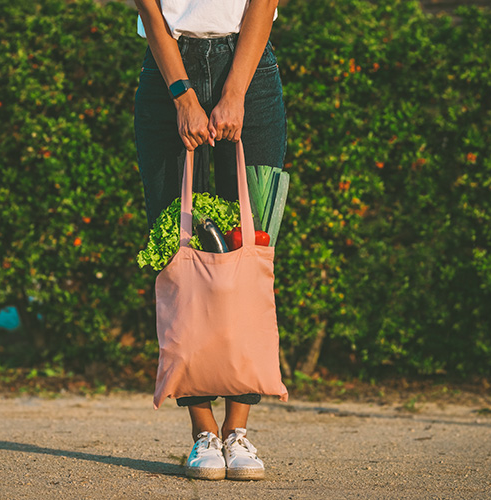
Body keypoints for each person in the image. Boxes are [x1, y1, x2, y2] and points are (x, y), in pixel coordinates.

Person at [133, 0, 287, 481]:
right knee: (178, 254)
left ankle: (238, 430)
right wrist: (182, 96)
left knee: (252, 244)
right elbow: (150, 10)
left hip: (250, 71)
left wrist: (235, 91)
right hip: (167, 73)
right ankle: (203, 431)